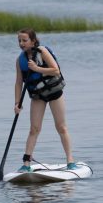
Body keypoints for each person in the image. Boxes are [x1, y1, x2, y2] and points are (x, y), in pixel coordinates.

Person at [14, 28, 77, 173]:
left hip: (54, 92)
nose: (21, 43)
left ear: (33, 41)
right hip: (38, 95)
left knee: (61, 127)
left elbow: (55, 70)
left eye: (25, 40)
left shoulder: (42, 51)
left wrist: (37, 68)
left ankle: (70, 161)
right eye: (19, 41)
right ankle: (26, 163)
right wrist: (17, 103)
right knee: (34, 129)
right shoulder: (20, 60)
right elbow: (18, 82)